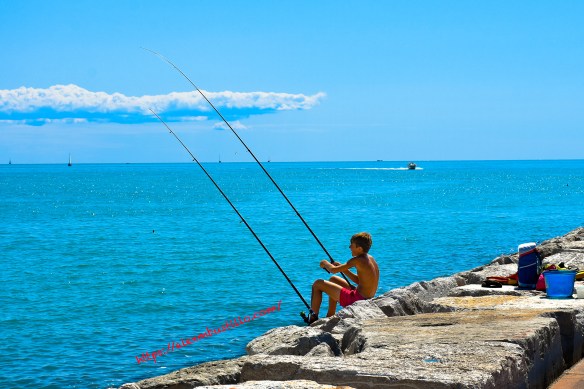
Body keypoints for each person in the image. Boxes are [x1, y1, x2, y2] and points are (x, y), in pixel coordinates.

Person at [307, 232, 379, 324]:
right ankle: (330, 315)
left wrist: (324, 262)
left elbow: (333, 270)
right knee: (333, 279)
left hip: (356, 299)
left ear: (359, 248)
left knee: (317, 284)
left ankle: (313, 319)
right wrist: (343, 268)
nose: (349, 247)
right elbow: (359, 280)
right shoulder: (370, 258)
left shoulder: (357, 260)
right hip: (365, 297)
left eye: (352, 245)